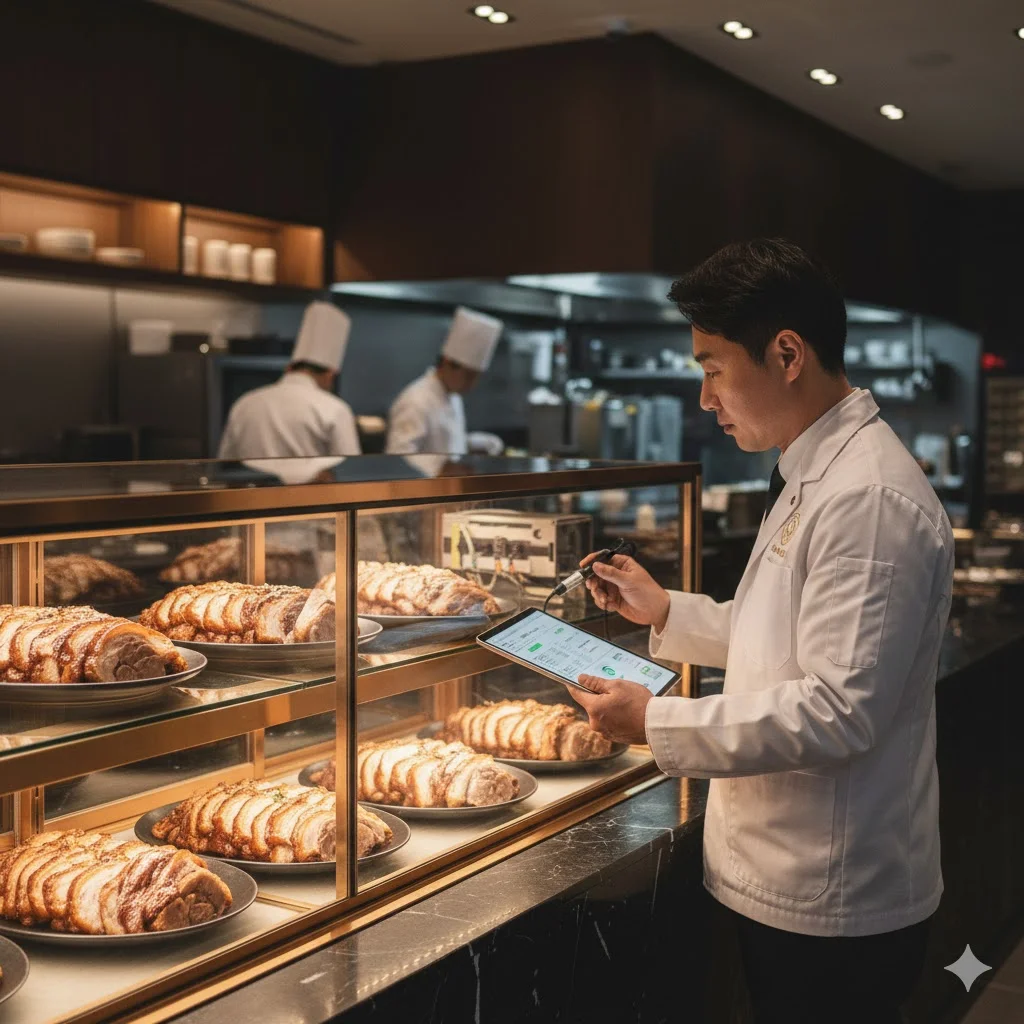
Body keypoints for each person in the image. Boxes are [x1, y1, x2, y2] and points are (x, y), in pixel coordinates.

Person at [571, 239, 953, 1024]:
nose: (706, 398)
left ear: (786, 354)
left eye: (712, 368)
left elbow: (838, 707)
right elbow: (783, 633)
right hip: (785, 875)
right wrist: (668, 612)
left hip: (831, 898)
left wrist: (656, 721)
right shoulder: (812, 467)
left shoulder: (868, 496)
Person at [217, 301, 359, 459]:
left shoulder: (243, 404)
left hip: (253, 484)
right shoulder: (335, 409)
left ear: (288, 368)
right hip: (314, 485)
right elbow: (349, 470)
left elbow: (225, 462)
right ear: (329, 375)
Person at [386, 307, 504, 456]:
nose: (472, 384)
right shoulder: (416, 401)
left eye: (477, 377)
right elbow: (398, 458)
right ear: (448, 363)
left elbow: (443, 444)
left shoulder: (453, 396)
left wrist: (469, 442)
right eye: (468, 376)